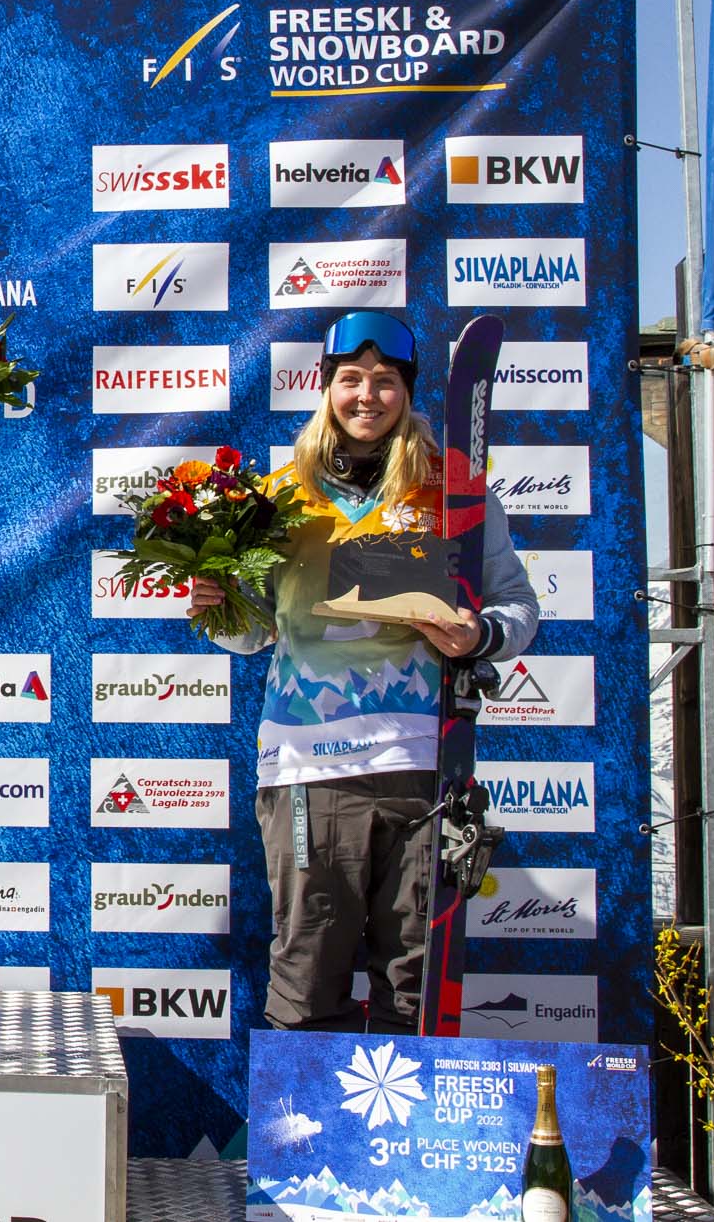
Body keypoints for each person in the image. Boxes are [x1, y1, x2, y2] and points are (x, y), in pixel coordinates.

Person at [189, 311, 539, 1033]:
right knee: (306, 971)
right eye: (350, 380)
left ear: (407, 393)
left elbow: (517, 605)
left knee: (413, 978)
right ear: (325, 388)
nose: (366, 396)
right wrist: (218, 606)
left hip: (418, 762)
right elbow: (257, 633)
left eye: (385, 381)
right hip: (307, 767)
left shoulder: (454, 491)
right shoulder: (277, 495)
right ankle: (298, 1140)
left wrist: (476, 635)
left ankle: (400, 1141)